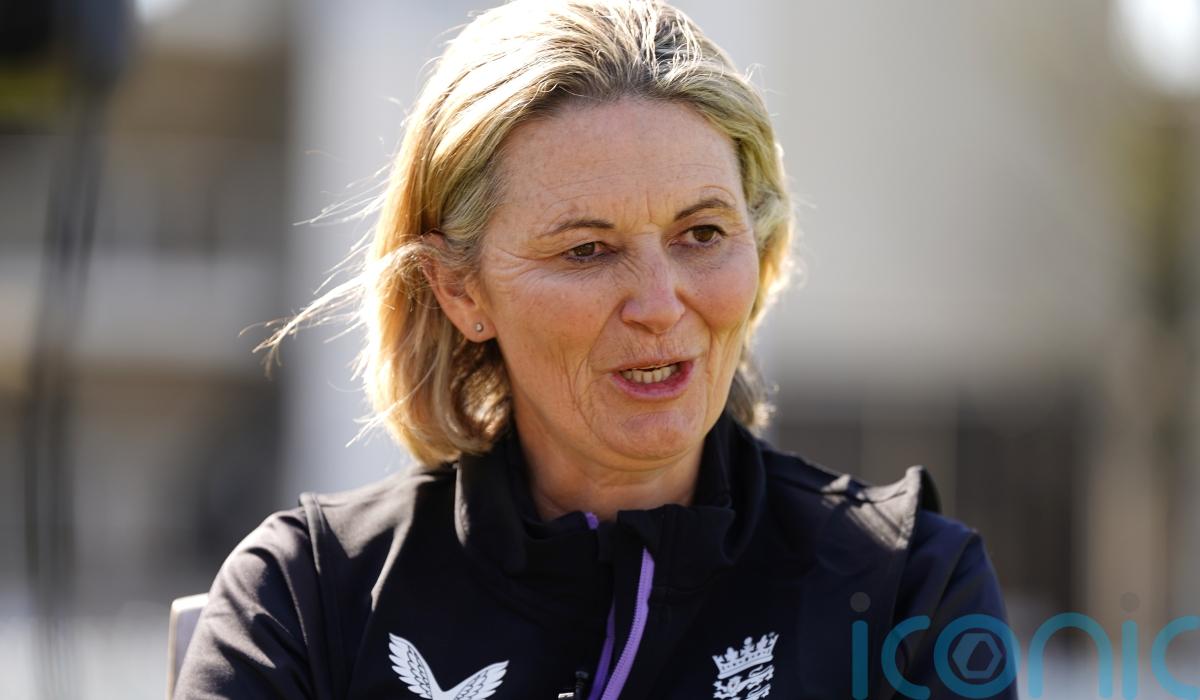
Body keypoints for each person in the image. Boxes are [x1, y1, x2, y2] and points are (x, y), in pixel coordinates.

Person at [174, 1, 1015, 698]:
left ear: (758, 250)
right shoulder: (308, 595)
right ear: (461, 291)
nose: (659, 304)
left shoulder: (907, 588)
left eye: (702, 233)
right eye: (587, 250)